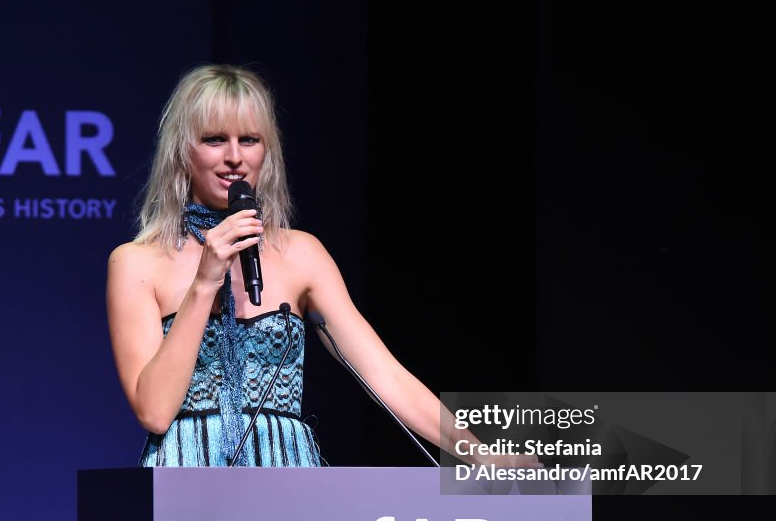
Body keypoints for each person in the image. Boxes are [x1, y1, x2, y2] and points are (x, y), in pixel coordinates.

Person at [107, 63, 537, 468]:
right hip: (186, 476)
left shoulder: (301, 254)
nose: (234, 157)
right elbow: (154, 412)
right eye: (215, 139)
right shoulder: (137, 263)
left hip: (286, 475)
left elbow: (383, 375)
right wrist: (204, 282)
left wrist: (483, 454)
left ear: (267, 153)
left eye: (250, 140)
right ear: (183, 152)